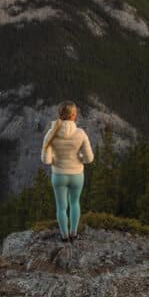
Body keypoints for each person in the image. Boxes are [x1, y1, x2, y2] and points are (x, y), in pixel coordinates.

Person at [41, 101, 94, 241]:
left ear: (59, 115)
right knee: (75, 203)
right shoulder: (81, 133)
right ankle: (74, 233)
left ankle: (64, 236)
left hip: (59, 175)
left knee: (61, 207)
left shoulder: (51, 134)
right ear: (73, 115)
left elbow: (45, 160)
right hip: (77, 175)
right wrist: (78, 157)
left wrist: (56, 158)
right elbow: (89, 158)